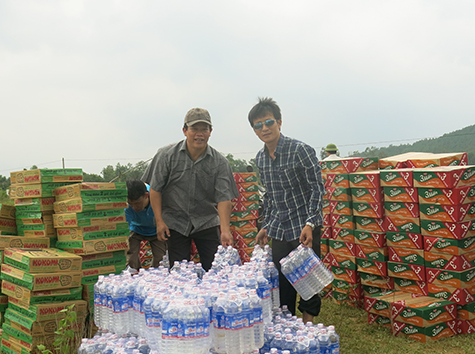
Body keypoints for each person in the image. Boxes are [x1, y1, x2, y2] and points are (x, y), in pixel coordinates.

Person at [250, 97, 325, 324]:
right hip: (281, 230)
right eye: (258, 125)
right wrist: (266, 226)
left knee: (308, 281)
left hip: (304, 227)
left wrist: (311, 223)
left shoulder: (300, 150)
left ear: (279, 122)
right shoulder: (261, 159)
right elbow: (271, 197)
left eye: (269, 122)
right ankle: (289, 328)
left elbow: (317, 190)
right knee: (283, 284)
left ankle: (308, 327)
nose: (265, 128)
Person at [143, 107, 238, 271]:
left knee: (215, 270)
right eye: (194, 129)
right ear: (185, 130)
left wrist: (225, 230)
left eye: (204, 129)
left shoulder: (220, 162)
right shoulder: (166, 156)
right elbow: (155, 189)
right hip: (175, 221)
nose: (199, 134)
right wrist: (159, 222)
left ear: (210, 132)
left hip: (206, 220)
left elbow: (224, 198)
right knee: (180, 272)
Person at [125, 179, 168, 270]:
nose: (134, 207)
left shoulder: (157, 196)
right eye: (131, 204)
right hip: (136, 228)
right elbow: (125, 226)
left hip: (155, 230)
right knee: (130, 256)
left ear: (146, 196)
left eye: (137, 204)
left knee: (161, 258)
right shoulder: (127, 205)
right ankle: (134, 274)